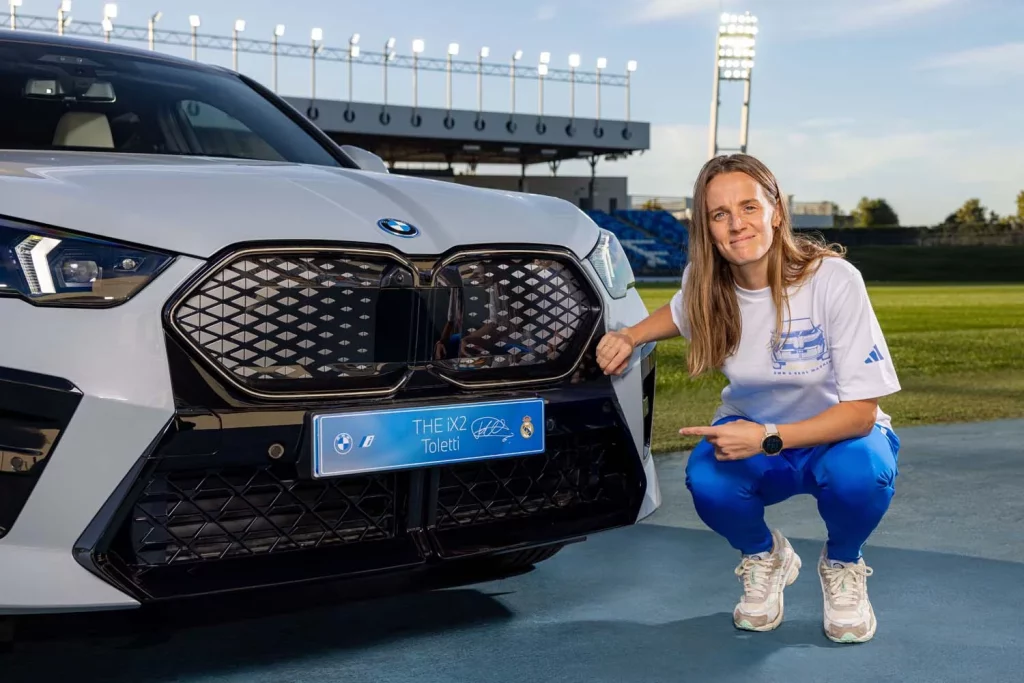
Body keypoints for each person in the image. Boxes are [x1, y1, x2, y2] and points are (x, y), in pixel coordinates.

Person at [595, 154, 901, 644]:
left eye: (749, 207)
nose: (737, 225)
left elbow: (861, 415)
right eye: (720, 214)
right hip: (757, 436)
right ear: (708, 229)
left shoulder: (834, 280)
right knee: (707, 480)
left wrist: (769, 437)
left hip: (837, 436)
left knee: (863, 474)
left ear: (775, 210)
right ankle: (766, 555)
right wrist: (630, 336)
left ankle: (843, 562)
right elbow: (679, 315)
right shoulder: (707, 282)